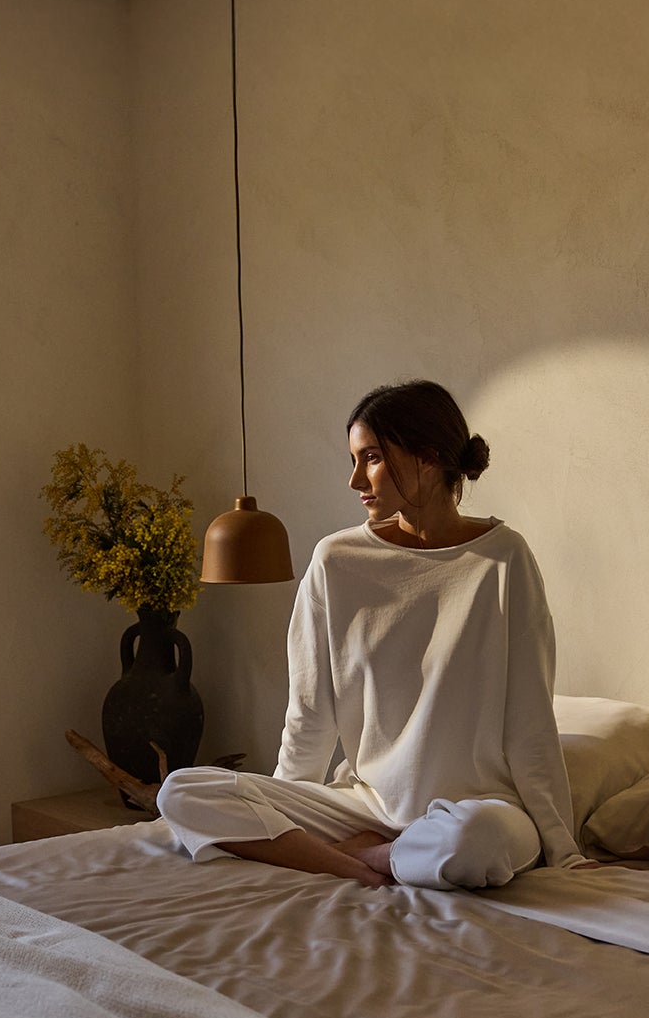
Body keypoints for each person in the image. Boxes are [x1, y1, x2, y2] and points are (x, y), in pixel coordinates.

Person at [158, 380, 586, 889]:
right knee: (181, 790)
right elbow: (310, 713)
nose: (355, 479)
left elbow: (530, 722)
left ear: (428, 458)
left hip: (477, 810)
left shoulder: (502, 559)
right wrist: (282, 813)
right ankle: (349, 860)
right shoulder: (336, 561)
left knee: (478, 843)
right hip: (362, 804)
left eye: (372, 458)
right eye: (355, 459)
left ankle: (379, 857)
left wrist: (567, 855)